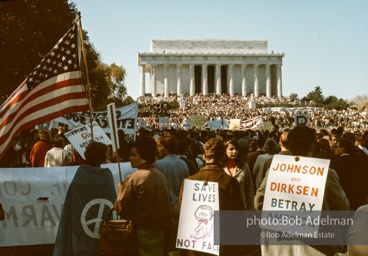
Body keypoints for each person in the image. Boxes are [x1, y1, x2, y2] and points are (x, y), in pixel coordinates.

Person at [254, 125, 350, 256]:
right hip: (315, 248)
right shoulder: (326, 174)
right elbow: (342, 208)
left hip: (278, 246)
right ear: (312, 146)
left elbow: (258, 202)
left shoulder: (274, 171)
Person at [178, 137, 246, 256]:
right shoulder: (230, 182)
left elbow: (181, 214)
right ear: (223, 157)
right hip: (222, 246)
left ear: (204, 156)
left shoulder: (189, 181)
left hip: (194, 248)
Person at [53, 142, 117, 256]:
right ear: (102, 156)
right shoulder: (107, 176)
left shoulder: (81, 173)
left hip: (81, 227)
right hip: (101, 230)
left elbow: (72, 201)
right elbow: (112, 200)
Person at [114, 136, 174, 256]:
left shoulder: (134, 178)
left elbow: (121, 208)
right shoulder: (160, 175)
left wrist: (120, 190)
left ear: (143, 157)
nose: (130, 158)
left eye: (133, 154)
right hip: (160, 231)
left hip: (140, 232)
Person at [330, 138, 368, 210]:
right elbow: (365, 179)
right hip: (357, 198)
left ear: (343, 148)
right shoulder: (359, 162)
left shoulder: (334, 164)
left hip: (340, 199)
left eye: (337, 147)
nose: (335, 149)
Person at [154, 134, 189, 207]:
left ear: (168, 148)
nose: (157, 148)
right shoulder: (183, 163)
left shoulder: (158, 164)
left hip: (164, 206)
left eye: (160, 146)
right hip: (179, 205)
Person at [223, 139, 254, 210]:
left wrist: (250, 209)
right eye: (231, 149)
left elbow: (250, 190)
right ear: (225, 150)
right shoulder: (220, 167)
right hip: (224, 209)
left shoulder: (244, 166)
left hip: (241, 208)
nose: (234, 152)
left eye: (236, 149)